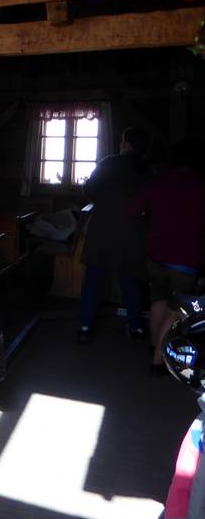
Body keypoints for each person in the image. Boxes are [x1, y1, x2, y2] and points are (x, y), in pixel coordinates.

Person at [128, 139, 205, 374]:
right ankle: (158, 361)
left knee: (158, 301)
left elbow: (133, 211)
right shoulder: (200, 186)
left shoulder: (156, 183)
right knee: (175, 310)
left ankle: (154, 345)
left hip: (156, 254)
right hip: (187, 258)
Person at [77, 126, 152, 343]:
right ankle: (136, 327)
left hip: (103, 229)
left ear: (126, 144)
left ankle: (85, 327)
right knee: (130, 280)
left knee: (93, 280)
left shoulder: (108, 164)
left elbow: (90, 191)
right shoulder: (147, 170)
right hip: (133, 233)